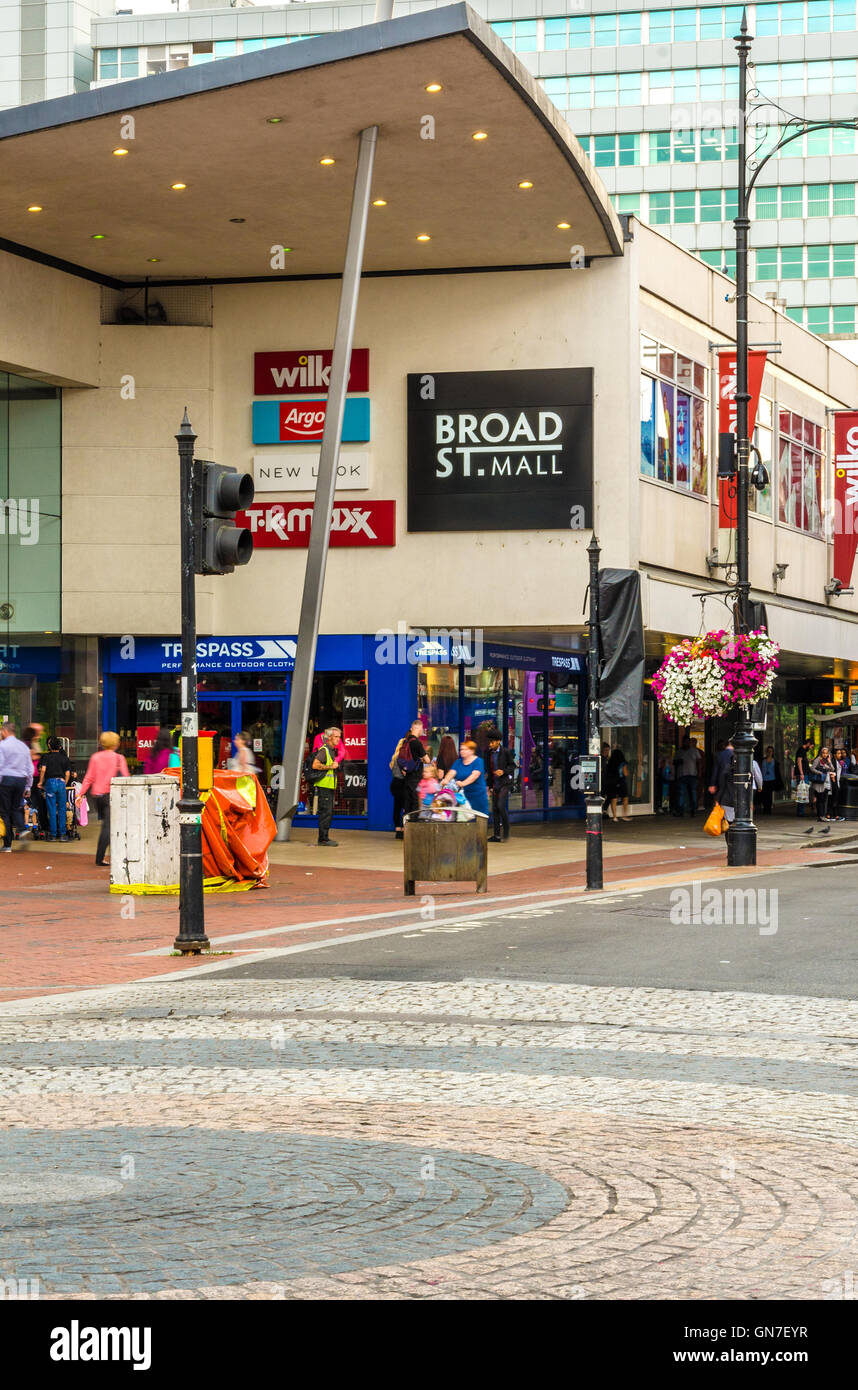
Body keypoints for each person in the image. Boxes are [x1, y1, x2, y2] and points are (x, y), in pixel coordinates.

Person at [77, 732, 130, 866]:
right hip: (111, 796)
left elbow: (89, 777)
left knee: (109, 824)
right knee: (108, 826)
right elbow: (125, 778)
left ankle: (114, 855)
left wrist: (81, 794)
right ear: (116, 743)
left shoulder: (95, 757)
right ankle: (100, 858)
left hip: (97, 797)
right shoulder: (119, 758)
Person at [0, 722, 34, 851]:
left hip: (6, 780)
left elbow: (0, 765)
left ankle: (7, 845)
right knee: (16, 807)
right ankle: (22, 829)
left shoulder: (2, 745)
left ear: (5, 731)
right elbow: (29, 769)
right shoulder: (23, 747)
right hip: (20, 780)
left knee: (5, 812)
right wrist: (28, 787)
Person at [391, 720, 427, 839]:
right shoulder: (416, 743)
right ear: (417, 728)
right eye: (421, 728)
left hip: (407, 779)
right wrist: (422, 760)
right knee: (415, 804)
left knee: (407, 805)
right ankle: (414, 833)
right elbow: (427, 759)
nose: (422, 731)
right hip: (415, 778)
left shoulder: (406, 742)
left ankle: (406, 831)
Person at [36, 735, 72, 841]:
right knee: (62, 809)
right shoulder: (64, 758)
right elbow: (67, 773)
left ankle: (52, 834)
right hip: (61, 782)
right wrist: (63, 783)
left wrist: (41, 782)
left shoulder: (47, 757)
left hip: (50, 783)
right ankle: (63, 835)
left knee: (51, 809)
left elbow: (42, 770)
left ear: (49, 746)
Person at [441, 739, 489, 817]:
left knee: (480, 818)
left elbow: (474, 775)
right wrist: (445, 780)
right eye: (461, 749)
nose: (462, 751)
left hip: (478, 796)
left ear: (472, 751)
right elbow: (451, 773)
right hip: (463, 797)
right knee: (464, 818)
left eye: (465, 749)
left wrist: (463, 783)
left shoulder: (478, 761)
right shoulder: (458, 762)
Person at [312, 726, 341, 846]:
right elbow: (315, 765)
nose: (339, 739)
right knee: (325, 812)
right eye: (336, 737)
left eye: (339, 737)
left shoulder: (331, 750)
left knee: (328, 812)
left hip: (328, 786)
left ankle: (325, 837)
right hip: (324, 786)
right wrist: (330, 767)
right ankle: (323, 839)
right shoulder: (324, 750)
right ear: (329, 738)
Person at [486, 733, 516, 842]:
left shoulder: (505, 752)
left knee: (500, 806)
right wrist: (489, 786)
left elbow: (513, 766)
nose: (490, 744)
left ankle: (506, 831)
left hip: (505, 783)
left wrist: (503, 771)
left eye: (492, 742)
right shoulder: (488, 753)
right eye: (489, 742)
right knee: (495, 808)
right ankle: (497, 835)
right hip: (495, 783)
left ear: (498, 741)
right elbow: (489, 771)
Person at [708, 739, 735, 831]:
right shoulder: (739, 755)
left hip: (722, 784)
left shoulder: (719, 755)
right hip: (735, 785)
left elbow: (715, 771)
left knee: (723, 805)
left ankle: (726, 823)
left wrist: (712, 784)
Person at [676, 735, 702, 816]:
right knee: (681, 793)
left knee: (693, 793)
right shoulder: (679, 752)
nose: (686, 743)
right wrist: (679, 761)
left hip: (692, 774)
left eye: (688, 741)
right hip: (682, 775)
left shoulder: (694, 751)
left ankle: (693, 810)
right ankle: (681, 811)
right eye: (685, 741)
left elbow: (699, 762)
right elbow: (674, 762)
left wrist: (699, 772)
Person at [604, 747, 630, 823]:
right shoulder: (622, 763)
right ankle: (624, 815)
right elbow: (625, 773)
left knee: (613, 799)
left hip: (612, 781)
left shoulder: (610, 762)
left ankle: (614, 816)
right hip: (621, 781)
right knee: (625, 798)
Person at [810, 746, 835, 822]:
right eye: (823, 753)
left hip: (826, 782)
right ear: (821, 753)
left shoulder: (827, 760)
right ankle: (820, 816)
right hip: (819, 782)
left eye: (826, 753)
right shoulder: (818, 759)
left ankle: (822, 815)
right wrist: (819, 773)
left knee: (824, 799)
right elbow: (812, 768)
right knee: (820, 799)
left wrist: (829, 761)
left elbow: (832, 769)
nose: (825, 754)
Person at [759, 746, 782, 815]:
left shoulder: (775, 761)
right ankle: (764, 808)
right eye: (768, 751)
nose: (769, 752)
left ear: (773, 752)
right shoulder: (762, 760)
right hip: (763, 780)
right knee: (763, 795)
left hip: (772, 780)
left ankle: (768, 809)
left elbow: (777, 772)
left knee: (769, 795)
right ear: (766, 752)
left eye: (771, 751)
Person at [793, 741, 810, 817]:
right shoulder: (801, 750)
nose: (811, 748)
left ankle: (801, 811)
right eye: (811, 746)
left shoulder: (803, 751)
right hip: (803, 774)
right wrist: (801, 773)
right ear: (808, 744)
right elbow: (799, 761)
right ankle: (800, 812)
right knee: (802, 792)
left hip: (804, 773)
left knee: (803, 791)